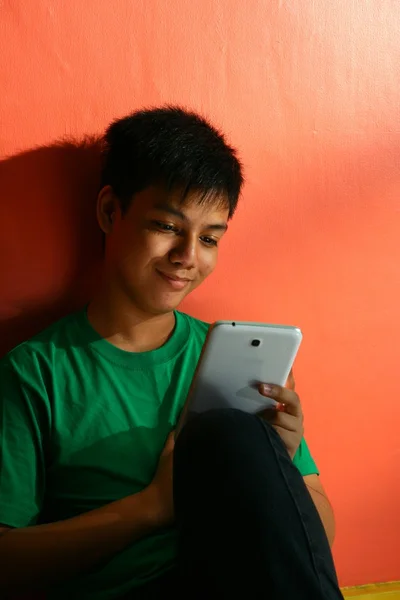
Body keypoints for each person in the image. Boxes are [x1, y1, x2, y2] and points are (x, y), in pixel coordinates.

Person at [0, 106, 344, 600]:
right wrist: (152, 507)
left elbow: (316, 548)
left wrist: (280, 462)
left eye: (209, 239)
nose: (188, 257)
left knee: (232, 433)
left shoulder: (226, 357)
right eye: (167, 226)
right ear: (109, 212)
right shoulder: (36, 372)